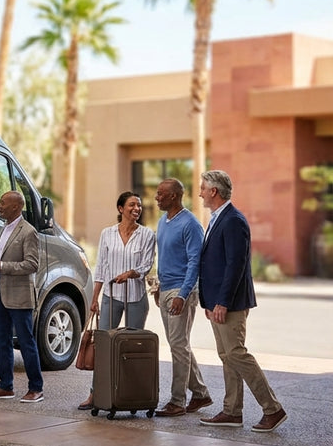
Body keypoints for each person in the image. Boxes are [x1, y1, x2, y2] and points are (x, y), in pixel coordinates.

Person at [196, 170, 287, 432]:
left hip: (231, 303)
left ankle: (273, 409)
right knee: (227, 355)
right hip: (217, 302)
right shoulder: (217, 218)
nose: (200, 192)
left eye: (203, 188)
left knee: (236, 353)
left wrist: (222, 302)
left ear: (214, 191)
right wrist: (209, 302)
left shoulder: (233, 220)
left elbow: (236, 265)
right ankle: (232, 411)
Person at [77, 191, 156, 411]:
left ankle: (129, 394)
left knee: (130, 349)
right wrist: (95, 299)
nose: (136, 209)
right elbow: (101, 267)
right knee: (103, 347)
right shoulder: (107, 234)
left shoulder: (147, 235)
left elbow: (147, 265)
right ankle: (96, 394)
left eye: (139, 206)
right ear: (121, 209)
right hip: (111, 297)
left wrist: (130, 273)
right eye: (132, 205)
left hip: (136, 298)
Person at [151, 178, 212, 417]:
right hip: (165, 288)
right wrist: (158, 285)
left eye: (161, 194)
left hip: (182, 291)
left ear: (174, 196)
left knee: (178, 346)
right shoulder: (163, 222)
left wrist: (183, 294)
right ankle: (201, 394)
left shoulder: (191, 224)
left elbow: (195, 262)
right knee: (180, 346)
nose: (156, 197)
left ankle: (178, 401)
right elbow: (164, 256)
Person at [0, 191, 43, 403]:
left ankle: (36, 388)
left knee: (26, 342)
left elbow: (32, 264)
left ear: (17, 207)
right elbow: (1, 258)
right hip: (0, 293)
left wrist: (1, 266)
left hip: (20, 295)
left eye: (3, 203)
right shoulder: (4, 229)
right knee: (2, 341)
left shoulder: (28, 232)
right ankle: (5, 386)